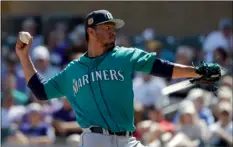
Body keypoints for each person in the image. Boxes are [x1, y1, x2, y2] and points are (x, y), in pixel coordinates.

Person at [15, 9, 221, 147]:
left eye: (113, 28)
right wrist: (24, 57)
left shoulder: (124, 56)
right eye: (106, 28)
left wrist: (197, 72)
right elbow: (41, 91)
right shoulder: (73, 70)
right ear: (91, 32)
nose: (112, 32)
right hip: (95, 140)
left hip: (127, 140)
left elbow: (162, 67)